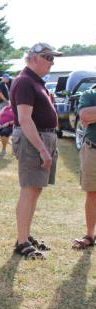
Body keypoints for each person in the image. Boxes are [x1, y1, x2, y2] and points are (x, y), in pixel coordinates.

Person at [10, 42, 62, 259]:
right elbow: (24, 119)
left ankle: (25, 235)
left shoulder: (35, 81)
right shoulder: (24, 81)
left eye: (53, 58)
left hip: (42, 137)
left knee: (35, 189)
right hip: (34, 140)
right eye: (48, 58)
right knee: (29, 189)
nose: (52, 62)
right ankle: (22, 243)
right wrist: (42, 149)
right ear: (33, 58)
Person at [72, 85, 96, 249]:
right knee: (92, 192)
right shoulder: (90, 93)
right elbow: (85, 115)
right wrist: (89, 116)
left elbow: (90, 115)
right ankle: (89, 235)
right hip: (92, 149)